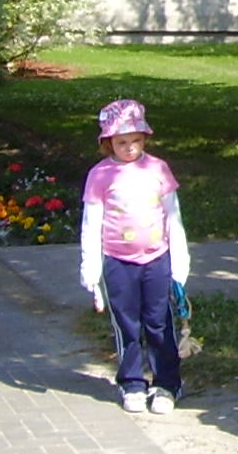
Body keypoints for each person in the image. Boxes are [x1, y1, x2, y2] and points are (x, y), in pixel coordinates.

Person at [80, 99, 189, 414]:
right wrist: (91, 269)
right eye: (122, 142)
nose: (129, 147)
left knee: (158, 322)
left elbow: (174, 219)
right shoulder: (100, 176)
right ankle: (132, 382)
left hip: (156, 259)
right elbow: (91, 224)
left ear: (145, 139)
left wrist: (179, 268)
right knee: (127, 323)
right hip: (117, 261)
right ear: (108, 142)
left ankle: (168, 384)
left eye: (136, 140)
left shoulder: (157, 169)